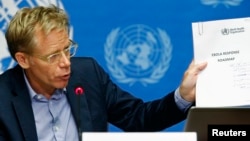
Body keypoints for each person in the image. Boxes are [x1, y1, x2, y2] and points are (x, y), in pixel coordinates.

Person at [0, 4, 207, 141]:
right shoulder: (3, 98)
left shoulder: (87, 74)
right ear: (23, 60)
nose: (66, 63)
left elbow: (138, 118)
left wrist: (183, 96)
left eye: (67, 49)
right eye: (52, 56)